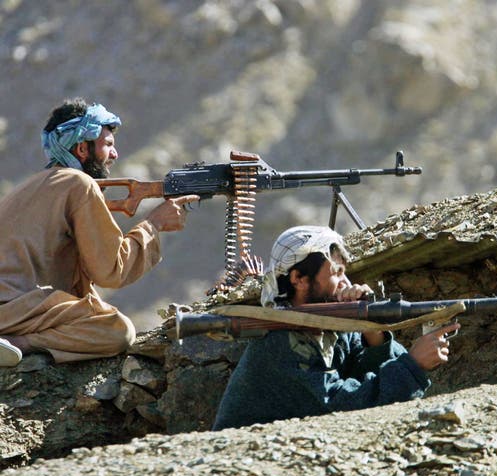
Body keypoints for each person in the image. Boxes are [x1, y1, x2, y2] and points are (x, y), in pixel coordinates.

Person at [0, 97, 199, 367]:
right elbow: (110, 271)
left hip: (16, 306)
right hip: (15, 309)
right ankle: (16, 343)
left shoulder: (32, 185)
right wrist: (154, 224)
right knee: (117, 330)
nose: (115, 155)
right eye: (107, 145)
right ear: (83, 148)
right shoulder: (79, 183)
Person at [212, 225, 460, 430]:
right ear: (298, 278)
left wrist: (372, 330)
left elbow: (363, 371)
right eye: (336, 273)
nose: (346, 283)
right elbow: (346, 405)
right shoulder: (279, 339)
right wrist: (412, 365)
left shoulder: (331, 325)